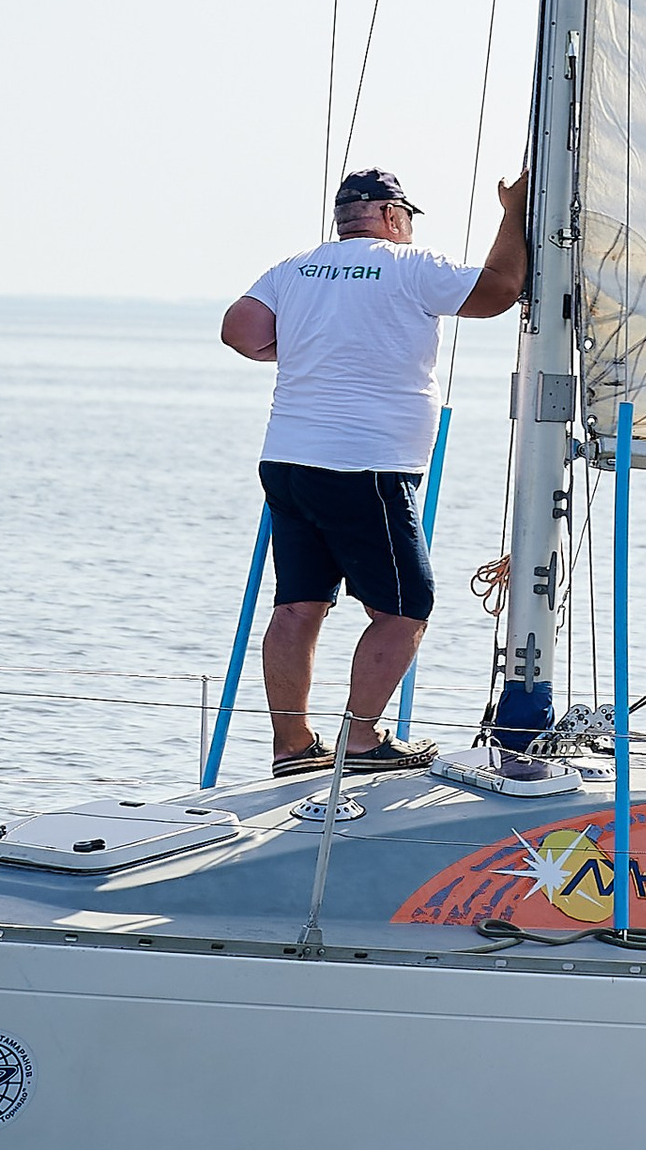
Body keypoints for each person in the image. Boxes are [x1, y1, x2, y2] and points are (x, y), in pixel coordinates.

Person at [221, 161, 528, 777]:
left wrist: (309, 351)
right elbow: (497, 291)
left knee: (298, 605)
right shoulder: (412, 266)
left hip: (288, 460)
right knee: (406, 607)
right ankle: (360, 742)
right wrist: (514, 213)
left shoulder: (297, 267)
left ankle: (291, 747)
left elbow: (240, 331)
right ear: (392, 216)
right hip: (366, 467)